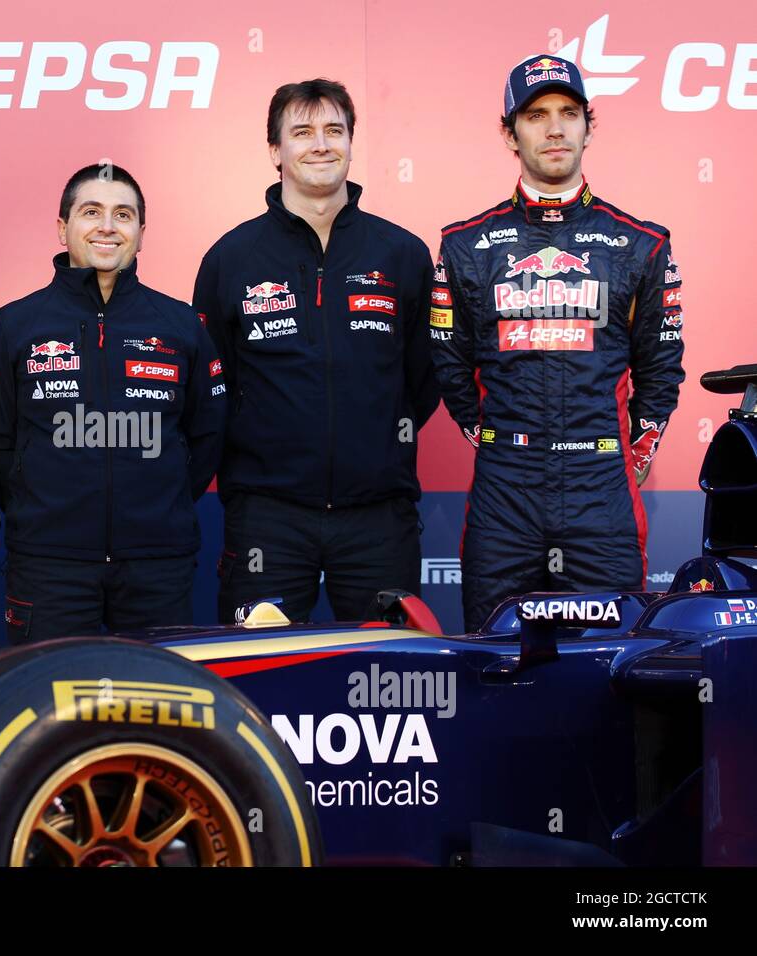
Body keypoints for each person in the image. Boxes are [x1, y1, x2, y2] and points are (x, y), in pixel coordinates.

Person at [430, 55, 685, 632]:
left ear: (589, 127)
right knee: (494, 664)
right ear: (509, 131)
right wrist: (497, 440)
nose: (554, 128)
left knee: (612, 672)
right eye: (536, 114)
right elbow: (450, 365)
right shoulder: (465, 245)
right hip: (504, 491)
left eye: (569, 113)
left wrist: (631, 458)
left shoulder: (639, 243)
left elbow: (661, 368)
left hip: (601, 491)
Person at [193, 79, 440, 624]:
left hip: (379, 515)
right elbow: (213, 385)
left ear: (352, 142)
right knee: (258, 678)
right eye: (302, 132)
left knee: (389, 682)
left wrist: (374, 438)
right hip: (267, 516)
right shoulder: (231, 258)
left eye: (334, 130)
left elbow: (424, 378)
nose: (320, 144)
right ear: (274, 151)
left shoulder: (402, 254)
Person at [0, 164, 226, 642]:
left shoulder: (180, 325)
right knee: (48, 707)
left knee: (158, 709)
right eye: (91, 212)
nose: (108, 227)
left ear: (140, 231)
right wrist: (42, 509)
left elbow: (206, 436)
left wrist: (158, 502)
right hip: (49, 564)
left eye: (123, 215)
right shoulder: (14, 324)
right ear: (62, 228)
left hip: (158, 563)